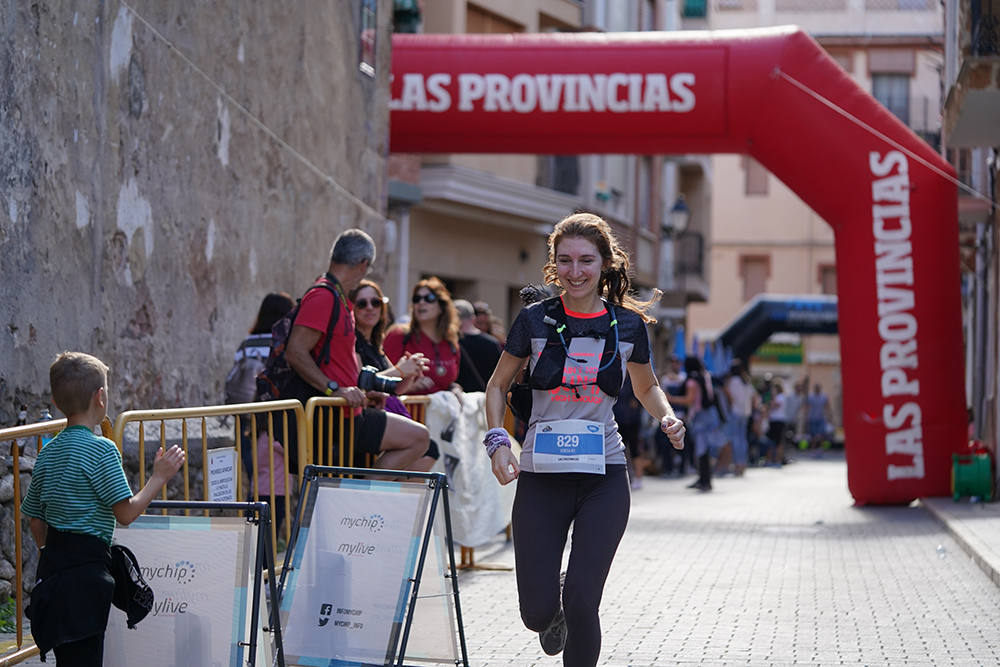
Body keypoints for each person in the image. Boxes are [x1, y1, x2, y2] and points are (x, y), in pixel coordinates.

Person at [483, 212, 686, 666]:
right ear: (555, 265)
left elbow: (646, 386)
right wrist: (497, 442)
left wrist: (668, 418)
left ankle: (570, 605)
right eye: (566, 261)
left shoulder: (627, 325)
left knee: (582, 598)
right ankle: (549, 607)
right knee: (537, 612)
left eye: (586, 261)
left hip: (604, 475)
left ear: (605, 264)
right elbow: (496, 386)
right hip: (541, 475)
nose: (576, 271)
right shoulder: (534, 320)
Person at [21, 352, 185, 664]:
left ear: (56, 403)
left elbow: (34, 520)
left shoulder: (48, 452)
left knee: (69, 657)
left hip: (54, 571)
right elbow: (126, 513)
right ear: (100, 397)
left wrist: (48, 551)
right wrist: (159, 476)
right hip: (87, 574)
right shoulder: (102, 450)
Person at [283, 228, 434, 471]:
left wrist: (362, 392)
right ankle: (365, 496)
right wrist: (334, 389)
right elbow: (296, 352)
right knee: (418, 438)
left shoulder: (337, 296)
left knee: (418, 439)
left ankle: (362, 496)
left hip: (348, 412)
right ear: (363, 264)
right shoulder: (323, 295)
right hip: (333, 416)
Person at [349, 278, 428, 395]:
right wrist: (400, 370)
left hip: (386, 406)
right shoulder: (352, 341)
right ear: (352, 309)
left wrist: (411, 371)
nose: (370, 307)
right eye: (362, 304)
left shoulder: (375, 344)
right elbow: (361, 384)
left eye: (375, 302)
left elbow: (397, 389)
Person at [383, 277, 461, 395]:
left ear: (442, 306)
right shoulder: (399, 335)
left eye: (429, 298)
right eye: (416, 299)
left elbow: (448, 381)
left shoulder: (450, 341)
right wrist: (408, 387)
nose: (421, 302)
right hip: (405, 411)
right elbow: (382, 377)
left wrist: (454, 389)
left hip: (441, 412)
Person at [670, 356, 725, 491]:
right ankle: (703, 478)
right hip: (709, 416)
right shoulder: (705, 375)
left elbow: (690, 400)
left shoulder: (692, 381)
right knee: (704, 449)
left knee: (701, 449)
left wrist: (670, 398)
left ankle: (705, 481)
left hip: (701, 418)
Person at [453, 299, 502, 393]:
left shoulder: (452, 343)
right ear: (473, 318)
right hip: (486, 400)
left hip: (460, 400)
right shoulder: (493, 343)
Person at [723, 359, 754, 477]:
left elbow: (730, 397)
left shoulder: (732, 381)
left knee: (736, 439)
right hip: (746, 413)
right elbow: (753, 397)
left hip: (735, 412)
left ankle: (737, 465)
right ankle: (743, 464)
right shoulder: (746, 381)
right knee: (743, 439)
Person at [806, 382, 834, 448]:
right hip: (812, 417)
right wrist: (806, 416)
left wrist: (829, 415)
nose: (817, 389)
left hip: (821, 417)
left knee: (821, 434)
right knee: (813, 435)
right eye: (816, 388)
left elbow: (827, 406)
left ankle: (820, 448)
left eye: (818, 388)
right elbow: (807, 407)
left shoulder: (824, 396)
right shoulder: (811, 397)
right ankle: (813, 448)